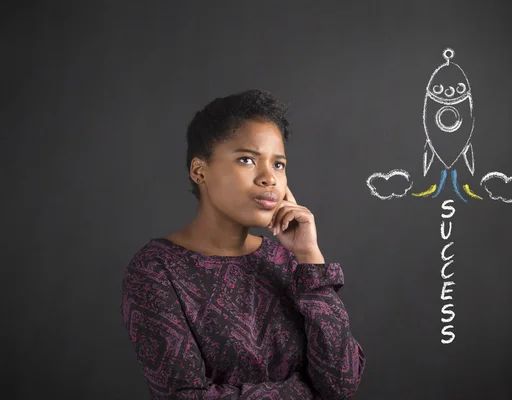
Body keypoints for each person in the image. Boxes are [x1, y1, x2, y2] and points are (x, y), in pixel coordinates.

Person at [120, 89, 366, 399]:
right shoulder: (156, 270)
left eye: (278, 165)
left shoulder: (287, 261)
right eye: (247, 159)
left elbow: (341, 383)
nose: (269, 179)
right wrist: (303, 392)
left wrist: (308, 256)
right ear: (200, 171)